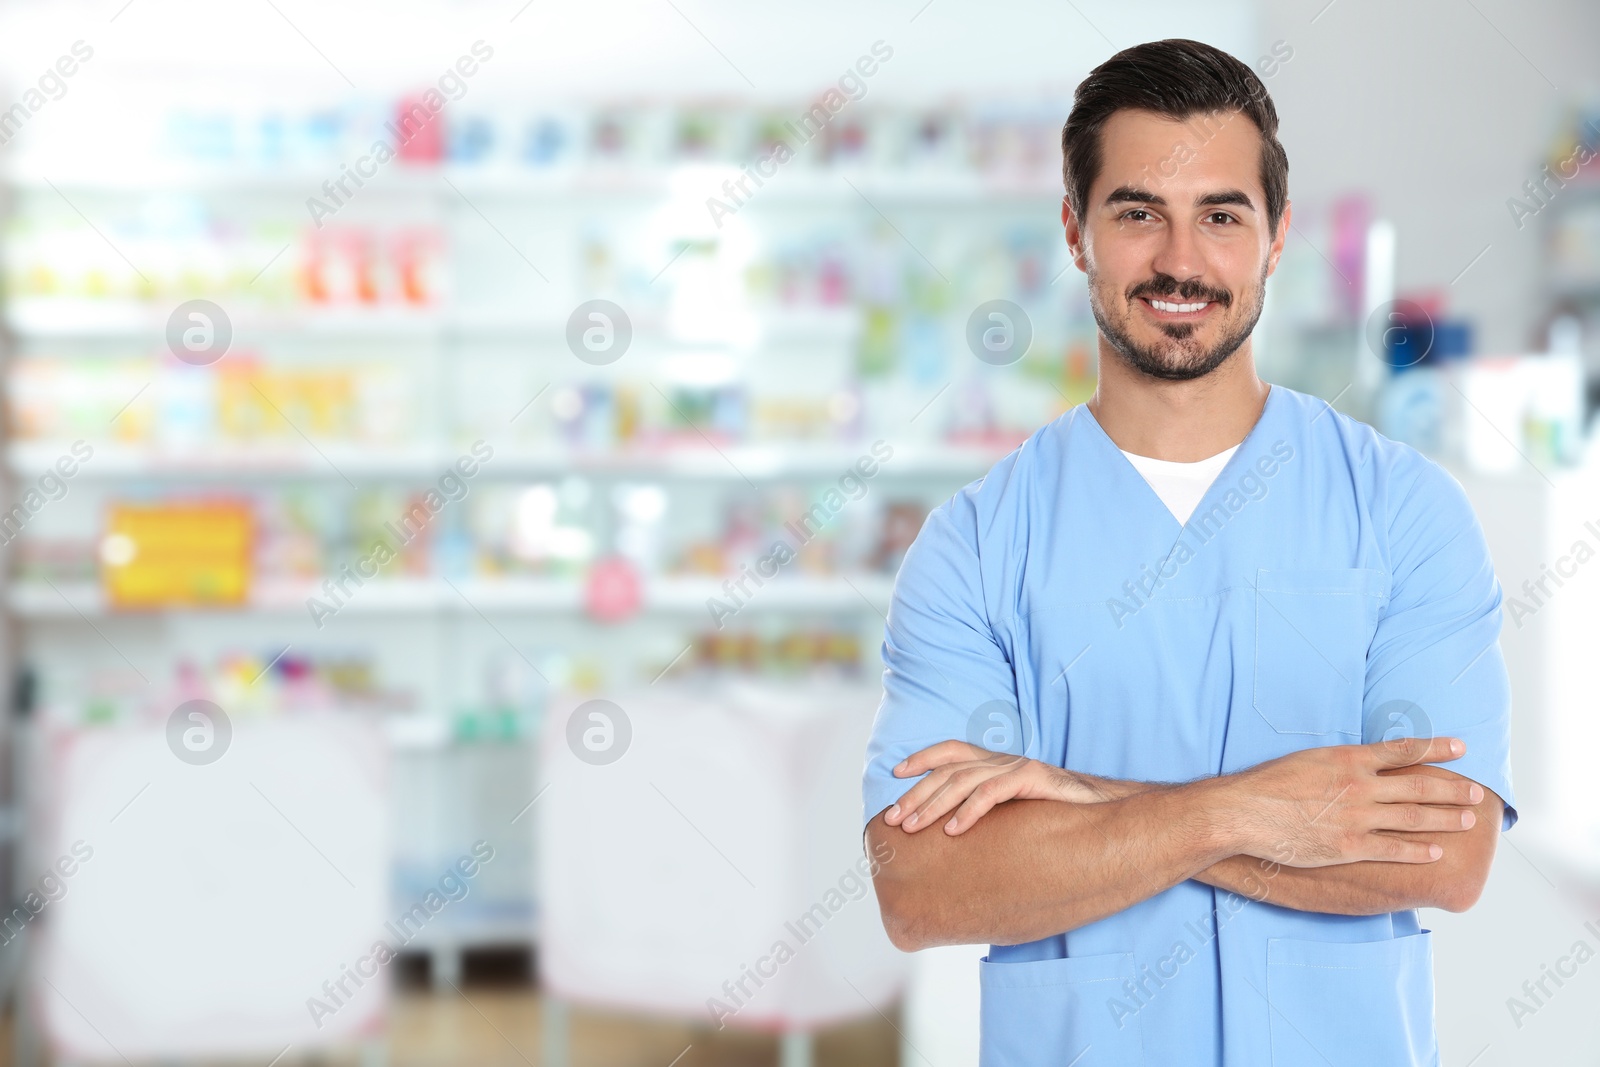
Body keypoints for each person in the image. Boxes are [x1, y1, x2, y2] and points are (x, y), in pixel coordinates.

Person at [861, 38, 1515, 1067]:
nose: (1179, 260)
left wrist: (1081, 804)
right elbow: (920, 883)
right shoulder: (976, 546)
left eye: (1220, 213)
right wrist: (1252, 810)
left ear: (1276, 235)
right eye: (1136, 213)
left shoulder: (1404, 511)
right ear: (1076, 232)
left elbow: (1447, 853)